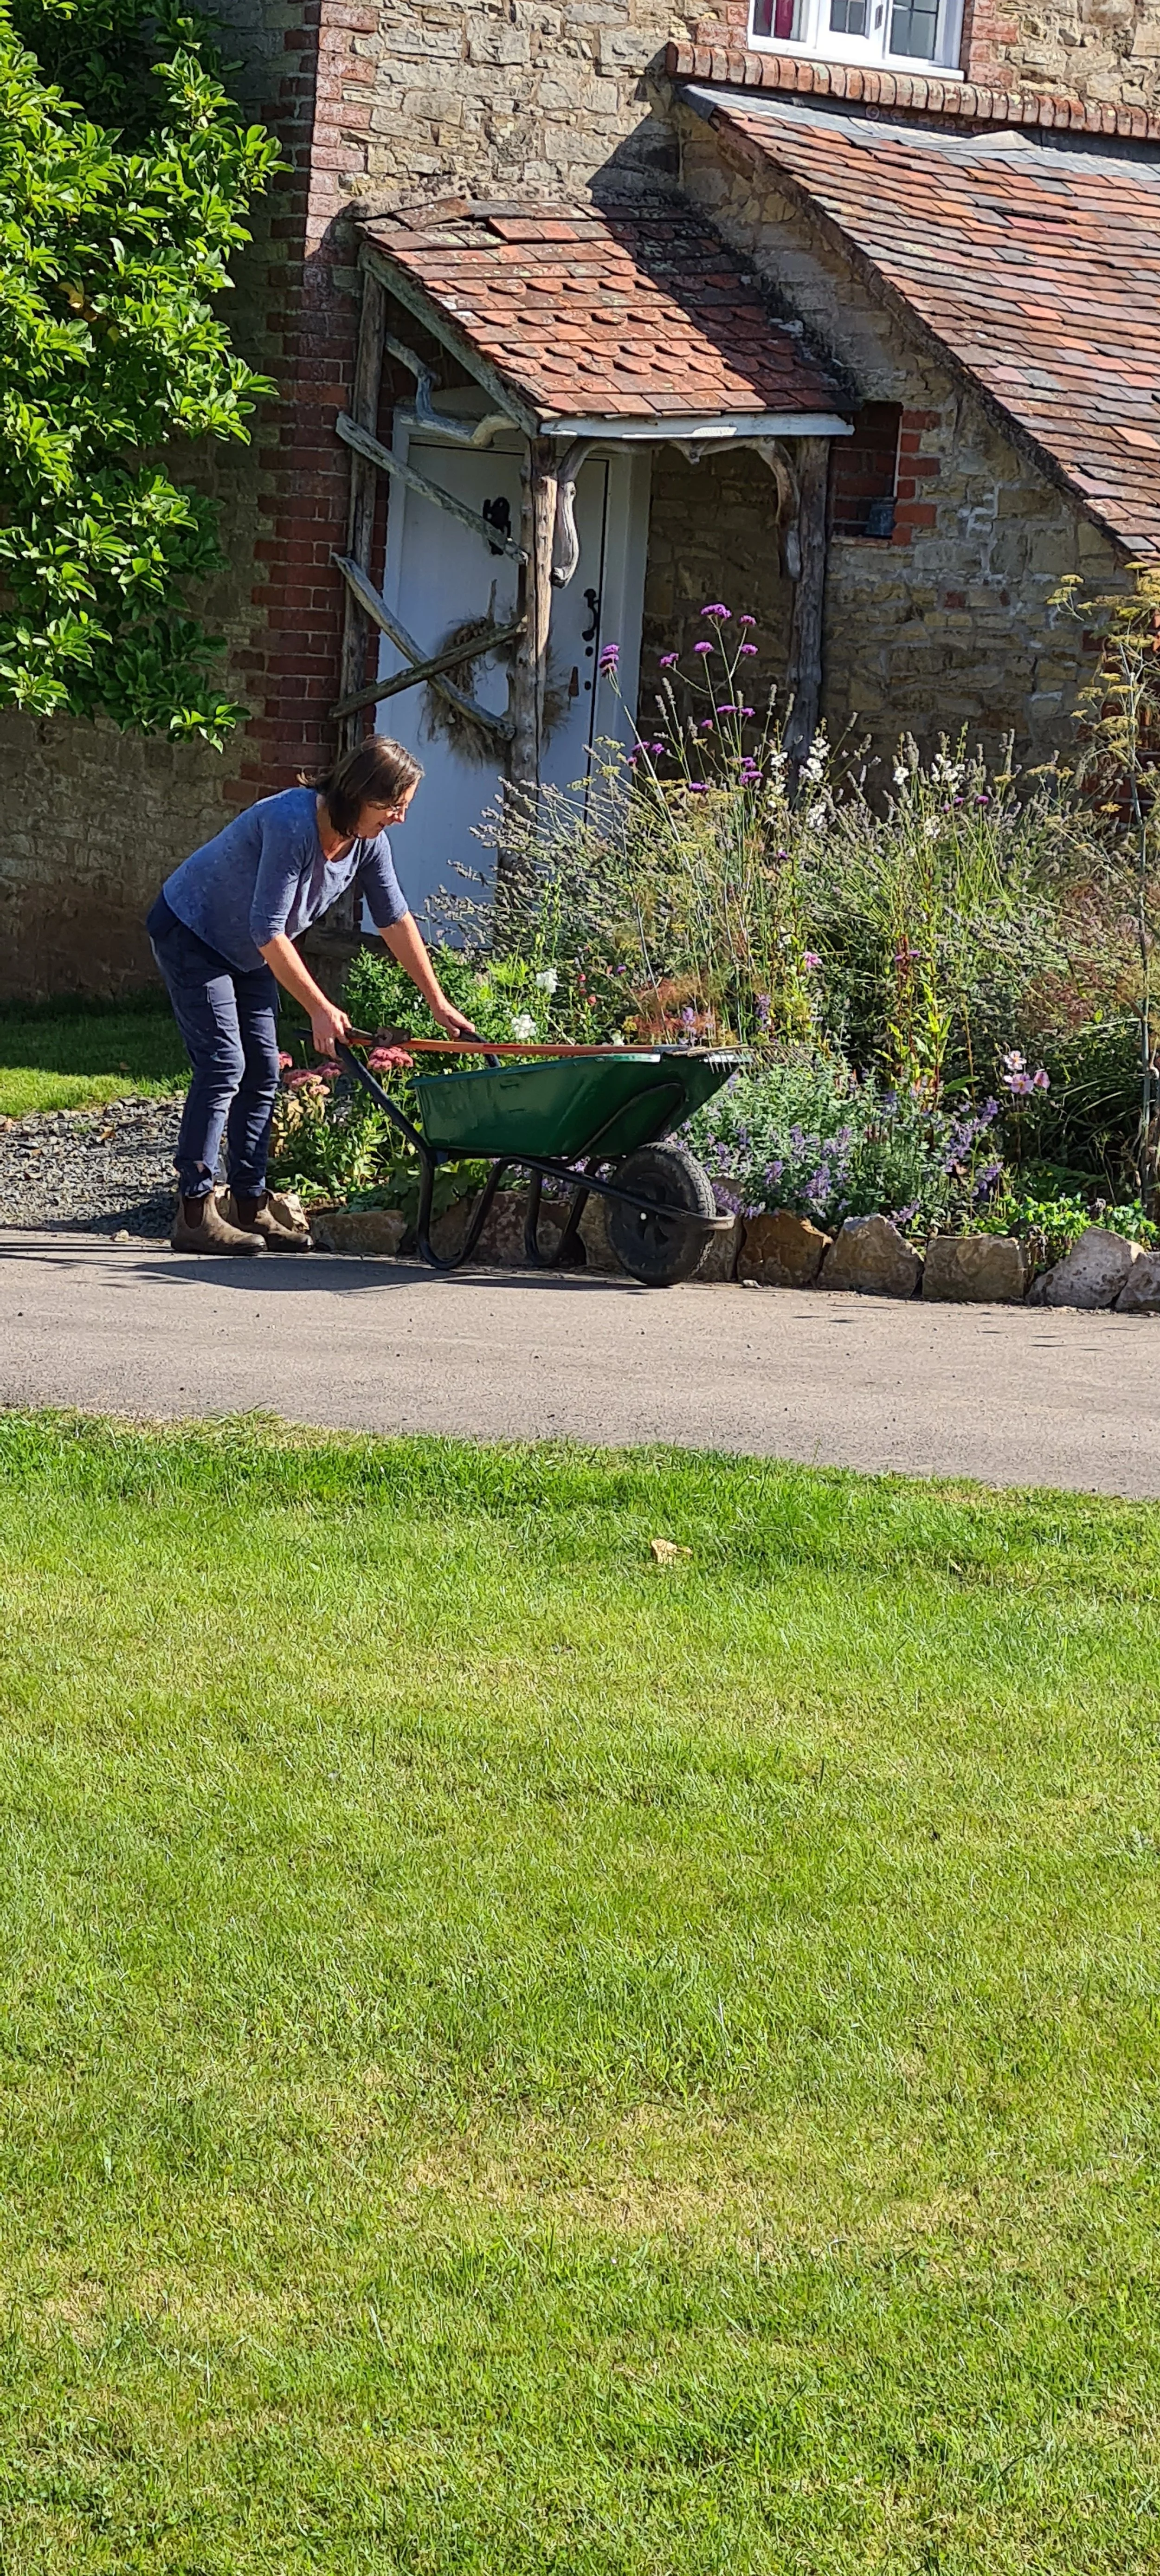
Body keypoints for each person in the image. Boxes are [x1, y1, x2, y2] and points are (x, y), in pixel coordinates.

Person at [146, 734, 475, 1255]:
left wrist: (437, 1001)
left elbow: (394, 918)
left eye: (404, 807)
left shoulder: (366, 842)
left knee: (262, 1071)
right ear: (357, 793)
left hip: (249, 950)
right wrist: (320, 1008)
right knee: (223, 1065)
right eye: (392, 806)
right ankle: (193, 1214)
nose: (399, 818)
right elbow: (269, 929)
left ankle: (251, 1207)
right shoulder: (292, 823)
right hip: (192, 930)